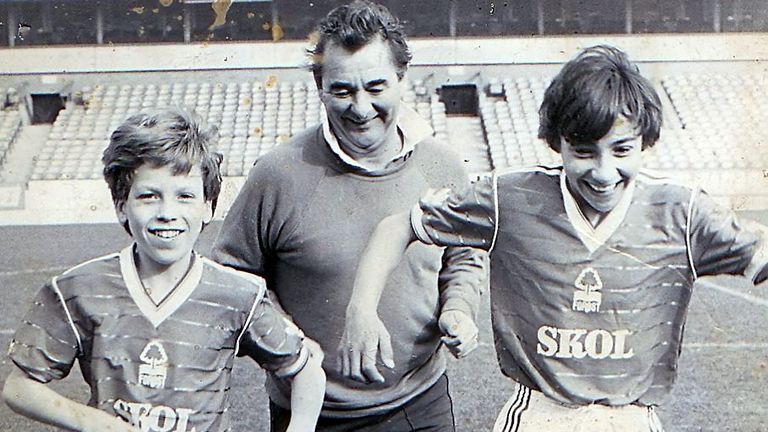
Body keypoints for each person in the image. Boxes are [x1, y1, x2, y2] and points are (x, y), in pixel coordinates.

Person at [340, 45, 768, 432]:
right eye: (584, 152)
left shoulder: (682, 211)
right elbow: (399, 225)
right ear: (556, 143)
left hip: (633, 416)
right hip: (540, 414)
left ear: (645, 142)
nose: (603, 172)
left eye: (621, 150)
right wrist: (361, 310)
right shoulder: (510, 198)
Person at [211, 1, 488, 431]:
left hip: (420, 403)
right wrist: (285, 343)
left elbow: (464, 255)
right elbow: (232, 277)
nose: (360, 108)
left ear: (402, 80)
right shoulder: (278, 174)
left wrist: (460, 307)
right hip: (310, 411)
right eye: (342, 90)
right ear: (319, 86)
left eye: (376, 87)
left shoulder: (440, 165)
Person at [3, 108, 325, 432]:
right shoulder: (78, 288)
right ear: (121, 207)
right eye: (148, 196)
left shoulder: (239, 294)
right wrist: (89, 420)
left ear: (207, 208)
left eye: (184, 196)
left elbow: (306, 369)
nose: (167, 213)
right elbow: (18, 387)